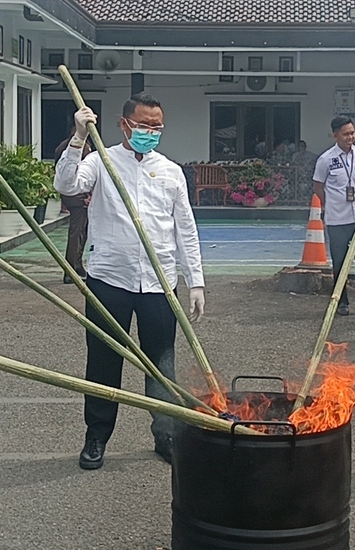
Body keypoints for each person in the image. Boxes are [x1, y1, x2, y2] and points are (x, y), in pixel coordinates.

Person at [54, 92, 205, 471]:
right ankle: (96, 436)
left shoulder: (170, 170)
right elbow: (66, 185)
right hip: (110, 279)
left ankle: (165, 433)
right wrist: (78, 138)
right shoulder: (100, 160)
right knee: (104, 362)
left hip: (159, 282)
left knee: (161, 363)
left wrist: (195, 281)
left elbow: (185, 228)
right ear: (125, 125)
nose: (150, 132)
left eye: (157, 127)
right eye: (143, 125)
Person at [313, 117, 355, 318]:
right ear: (335, 135)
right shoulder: (326, 160)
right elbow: (318, 186)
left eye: (352, 133)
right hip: (337, 219)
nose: (350, 137)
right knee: (341, 262)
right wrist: (330, 204)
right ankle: (341, 302)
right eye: (345, 134)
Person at [54, 133, 92, 283]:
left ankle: (76, 265)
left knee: (80, 232)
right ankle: (71, 268)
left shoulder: (62, 146)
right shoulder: (76, 147)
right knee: (77, 232)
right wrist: (86, 196)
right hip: (78, 196)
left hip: (73, 195)